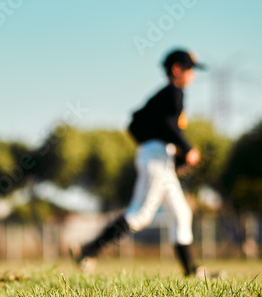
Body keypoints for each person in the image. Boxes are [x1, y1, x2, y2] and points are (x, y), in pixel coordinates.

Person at [75, 48, 207, 277]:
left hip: (159, 156)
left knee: (181, 214)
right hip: (155, 157)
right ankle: (89, 250)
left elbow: (137, 123)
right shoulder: (174, 92)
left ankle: (191, 271)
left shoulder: (165, 95)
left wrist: (175, 152)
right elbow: (168, 125)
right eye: (189, 70)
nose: (192, 75)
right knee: (141, 214)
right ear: (177, 70)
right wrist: (187, 149)